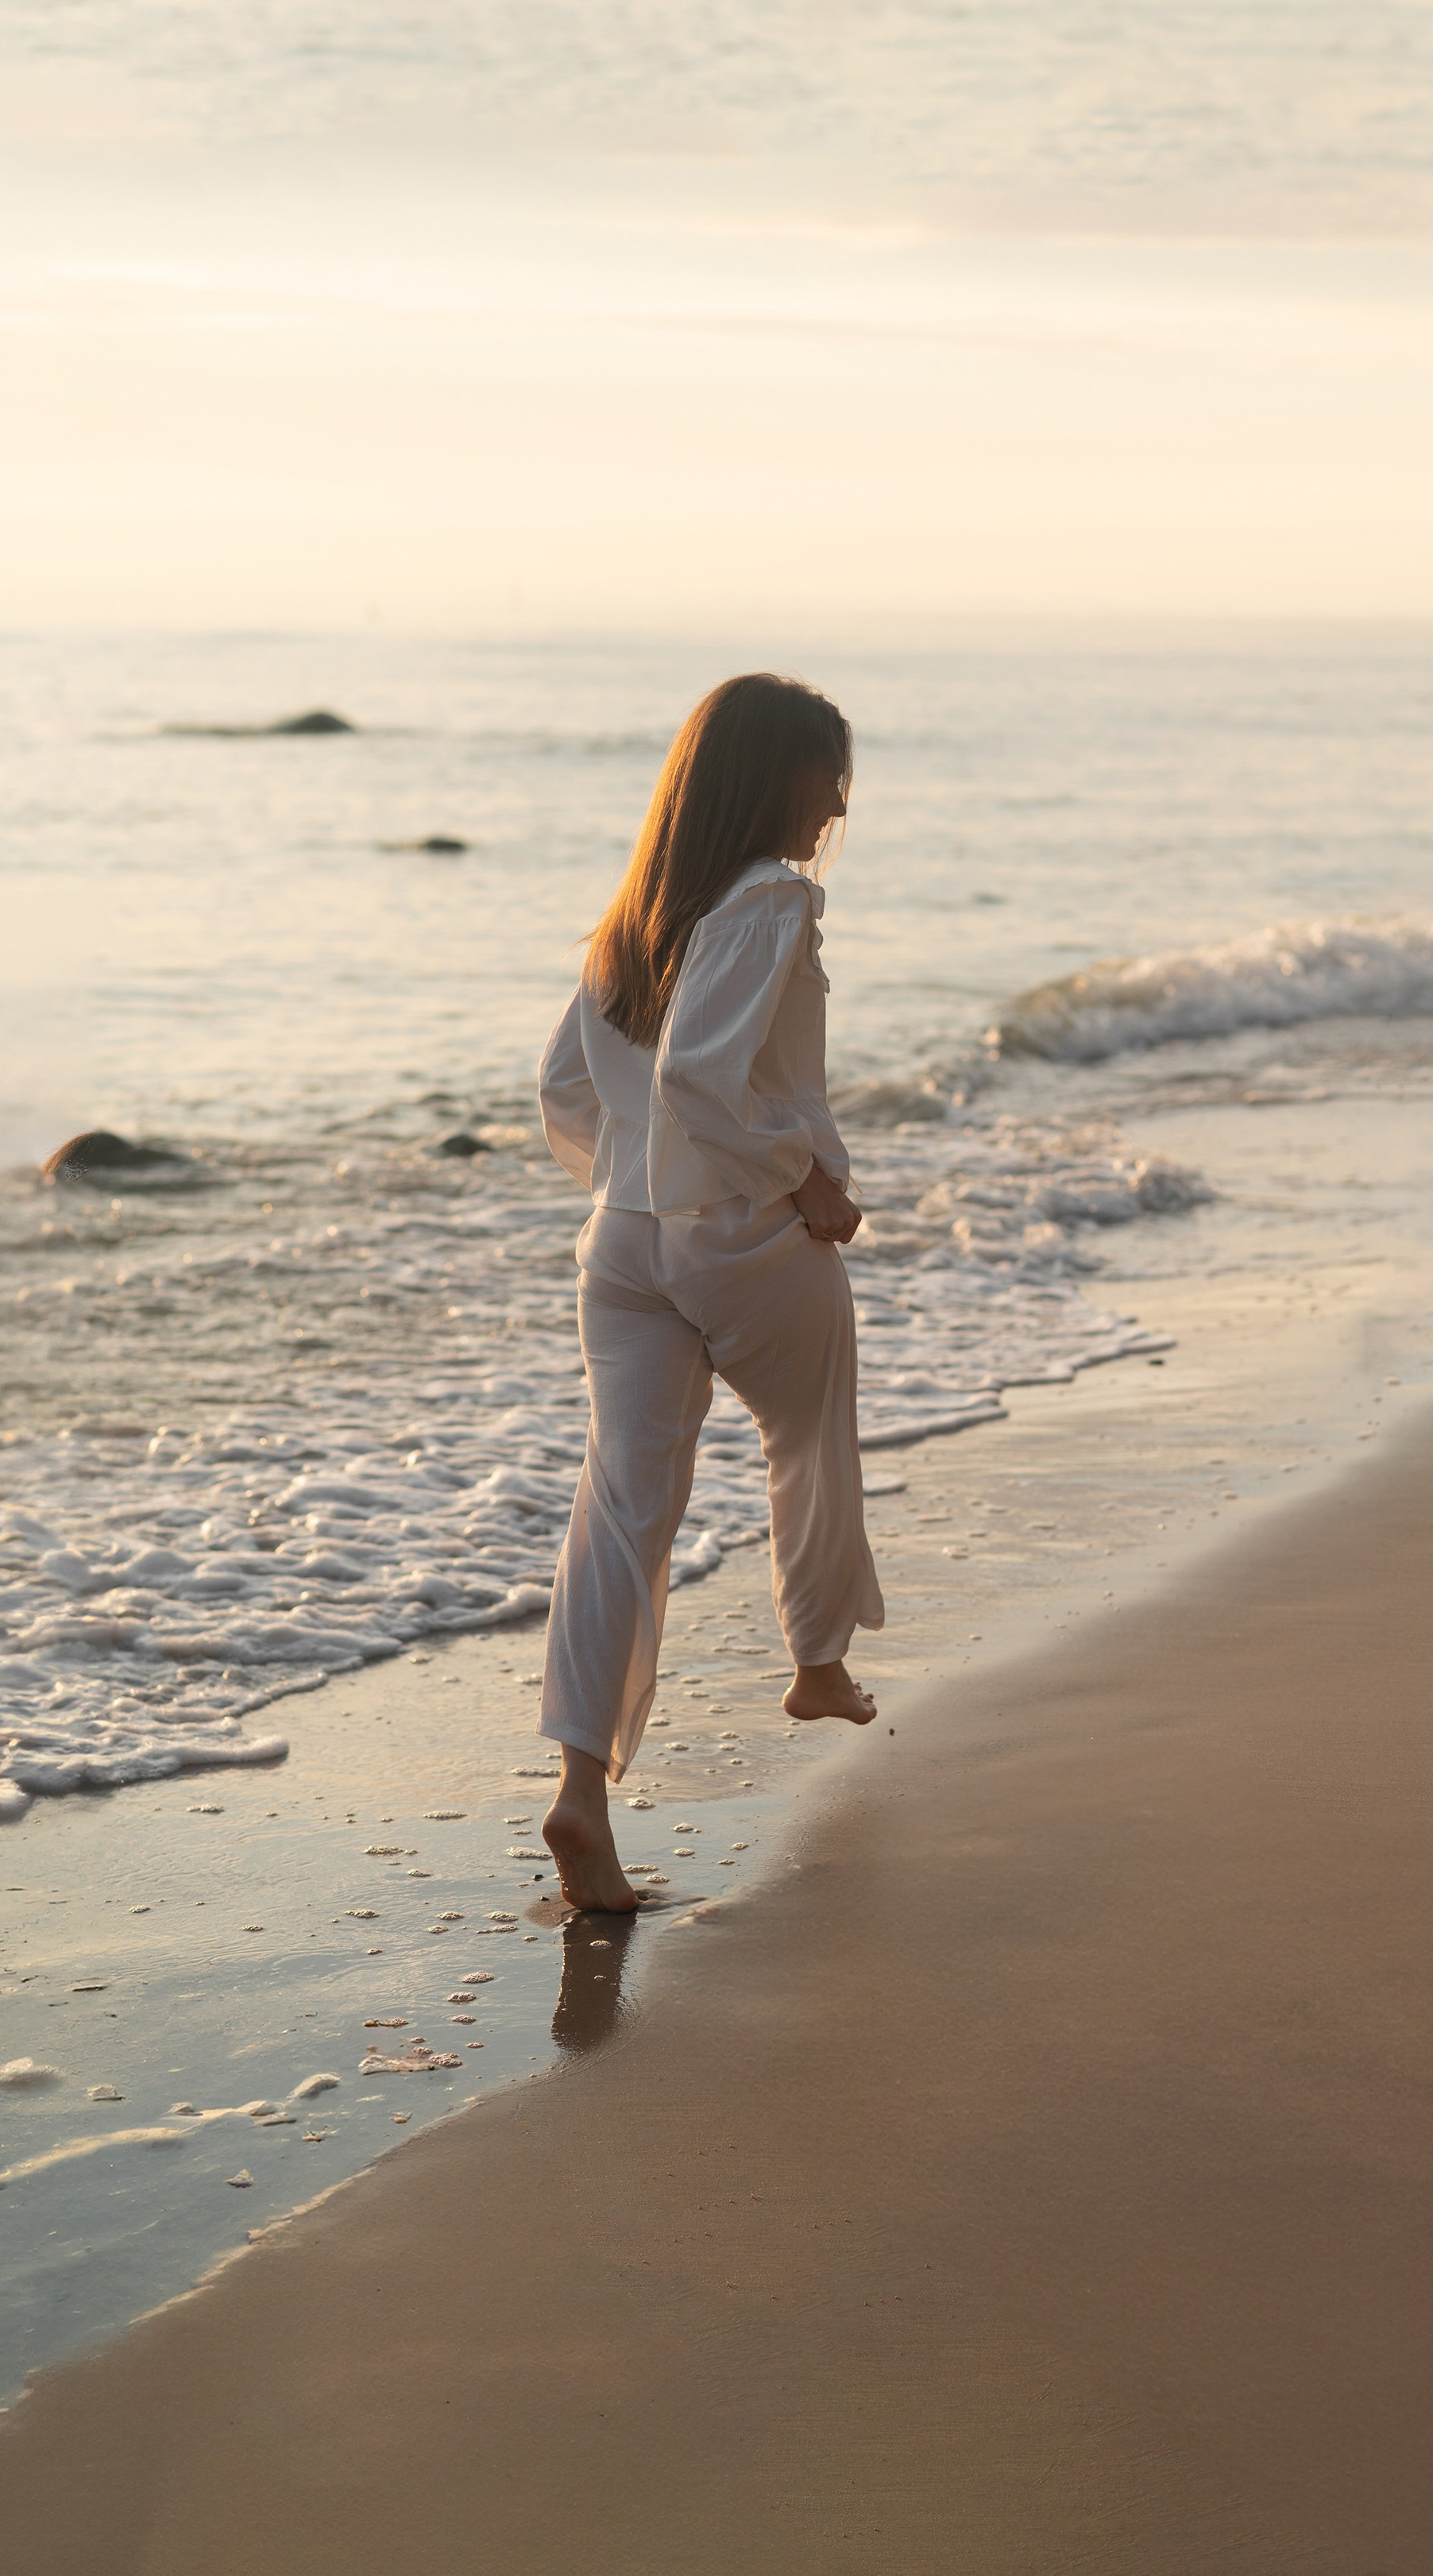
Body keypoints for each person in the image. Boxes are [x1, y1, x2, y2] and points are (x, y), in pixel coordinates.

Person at [535, 672, 886, 1913]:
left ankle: (582, 1793)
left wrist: (636, 1193)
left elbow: (565, 1097)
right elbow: (700, 1080)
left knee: (622, 1509)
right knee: (810, 1424)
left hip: (620, 1245)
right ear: (768, 777)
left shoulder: (625, 924)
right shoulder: (773, 898)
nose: (839, 799)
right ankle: (818, 1659)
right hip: (733, 1234)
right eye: (826, 773)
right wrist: (802, 1188)